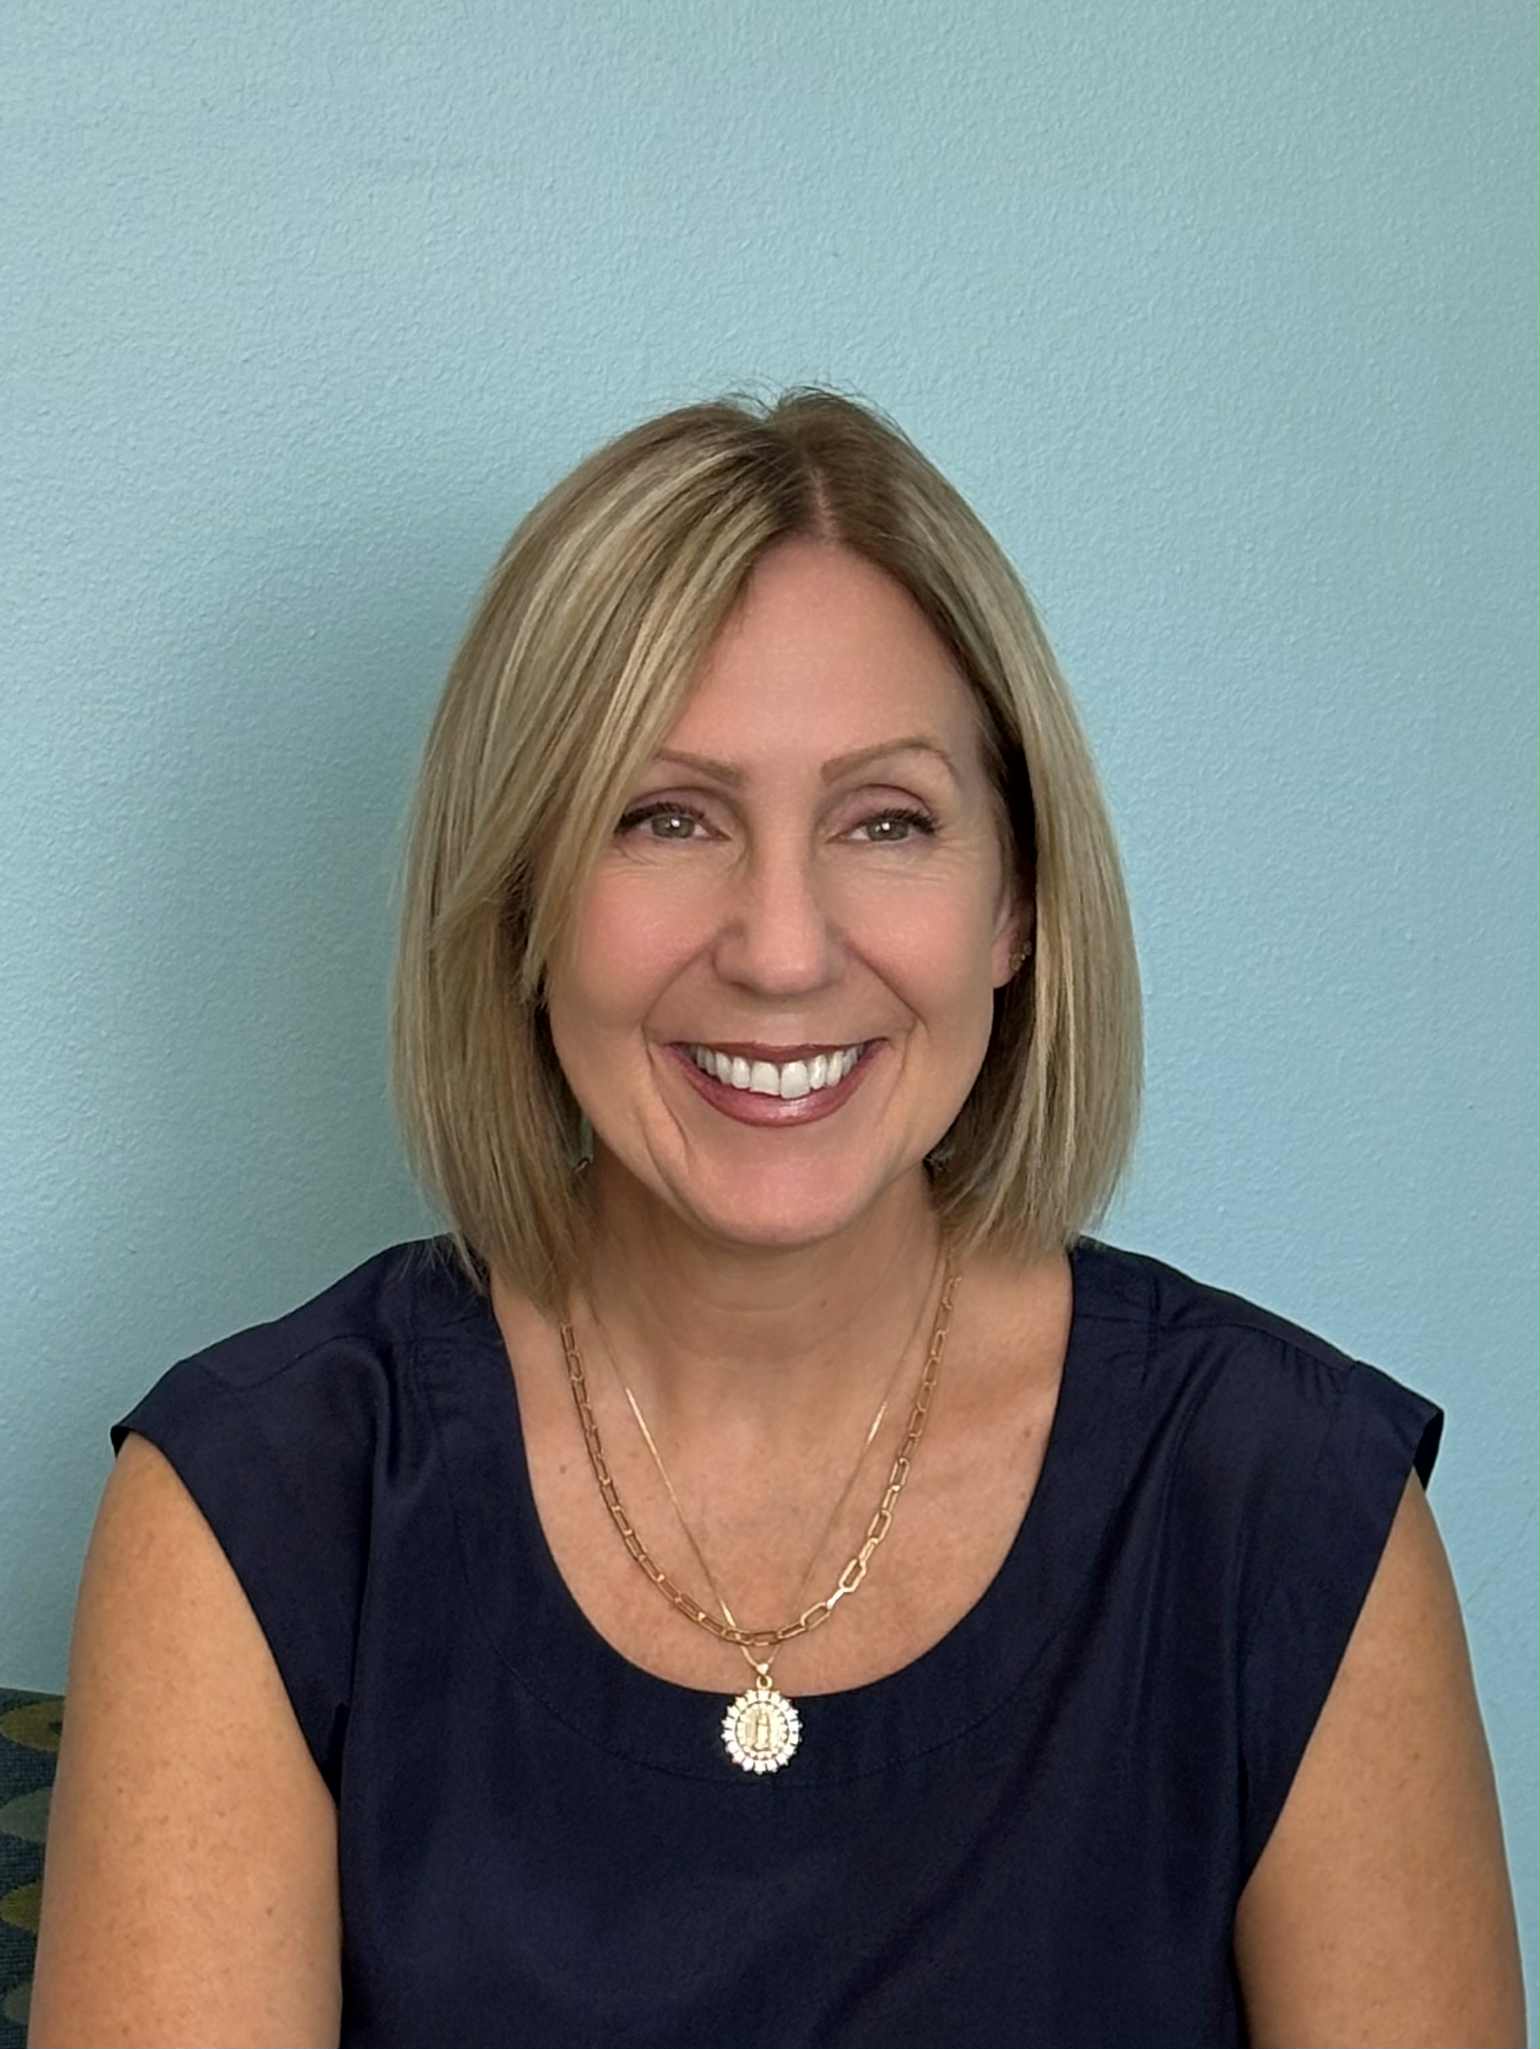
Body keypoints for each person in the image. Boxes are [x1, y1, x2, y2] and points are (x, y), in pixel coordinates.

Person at [30, 387, 1525, 2049]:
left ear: (1017, 901)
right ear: (524, 894)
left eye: (887, 820)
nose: (784, 946)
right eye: (667, 817)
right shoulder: (261, 1509)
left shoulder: (1287, 1507)